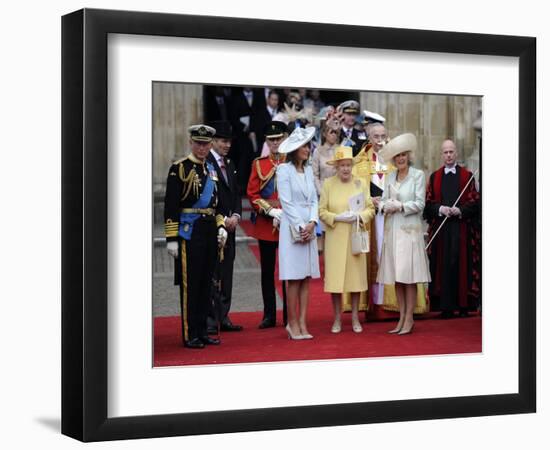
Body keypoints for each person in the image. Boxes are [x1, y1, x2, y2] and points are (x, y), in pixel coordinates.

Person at [164, 124, 228, 349]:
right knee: (191, 284)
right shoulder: (179, 168)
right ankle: (190, 333)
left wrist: (221, 226)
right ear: (191, 142)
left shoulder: (211, 169)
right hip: (189, 233)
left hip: (210, 230)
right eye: (198, 143)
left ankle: (202, 331)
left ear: (210, 145)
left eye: (206, 144)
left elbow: (217, 203)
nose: (202, 148)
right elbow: (171, 206)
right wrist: (171, 238)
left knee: (206, 284)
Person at [377, 133, 431, 335]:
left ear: (408, 156)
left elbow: (419, 203)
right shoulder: (390, 177)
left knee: (409, 278)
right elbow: (383, 200)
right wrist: (384, 206)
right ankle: (401, 317)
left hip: (409, 232)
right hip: (393, 232)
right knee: (398, 278)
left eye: (403, 155)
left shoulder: (417, 175)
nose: (400, 159)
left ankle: (409, 318)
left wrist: (400, 205)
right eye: (397, 156)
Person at [319, 146, 375, 333]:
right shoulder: (328, 184)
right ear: (336, 166)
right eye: (342, 165)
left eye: (348, 165)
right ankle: (336, 319)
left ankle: (355, 319)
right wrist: (337, 217)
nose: (345, 169)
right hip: (335, 237)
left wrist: (358, 217)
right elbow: (321, 211)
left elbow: (370, 209)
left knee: (355, 280)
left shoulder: (360, 183)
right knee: (335, 281)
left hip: (354, 235)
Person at [424, 139, 481, 318]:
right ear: (441, 155)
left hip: (462, 229)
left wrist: (460, 210)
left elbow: (475, 202)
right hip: (442, 231)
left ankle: (464, 306)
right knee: (443, 267)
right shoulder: (434, 177)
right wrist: (441, 209)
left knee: (461, 265)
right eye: (445, 152)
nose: (448, 155)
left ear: (456, 153)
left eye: (451, 152)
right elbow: (428, 203)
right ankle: (445, 307)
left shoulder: (467, 176)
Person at [276, 126, 321, 339]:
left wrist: (312, 222)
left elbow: (313, 200)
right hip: (292, 228)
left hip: (309, 227)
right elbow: (286, 202)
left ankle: (303, 322)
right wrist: (302, 227)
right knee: (293, 278)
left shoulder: (310, 170)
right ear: (294, 149)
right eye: (304, 145)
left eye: (309, 145)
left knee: (305, 277)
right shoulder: (283, 170)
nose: (308, 148)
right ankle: (292, 323)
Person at [246, 121, 289, 329]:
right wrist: (269, 210)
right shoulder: (258, 164)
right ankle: (269, 315)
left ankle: (290, 315)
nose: (275, 143)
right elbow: (252, 194)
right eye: (271, 140)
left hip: (289, 223)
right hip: (266, 223)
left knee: (290, 271)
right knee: (267, 272)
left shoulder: (293, 162)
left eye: (278, 138)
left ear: (285, 138)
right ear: (266, 141)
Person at [205, 121, 244, 334]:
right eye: (222, 141)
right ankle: (211, 320)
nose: (226, 145)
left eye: (228, 141)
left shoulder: (229, 163)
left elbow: (236, 193)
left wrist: (237, 215)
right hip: (213, 226)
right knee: (213, 273)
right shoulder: (206, 162)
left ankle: (224, 315)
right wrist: (222, 220)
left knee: (227, 272)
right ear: (213, 142)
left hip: (231, 226)